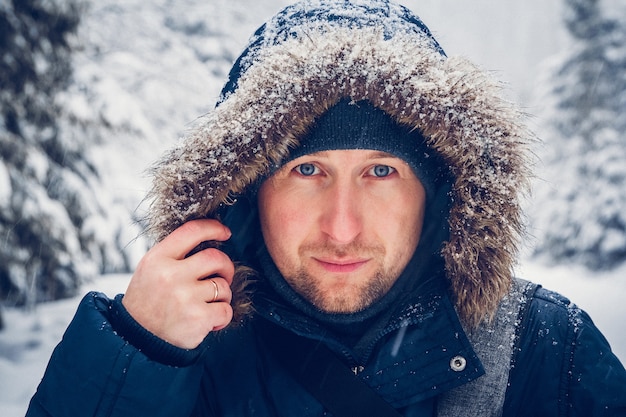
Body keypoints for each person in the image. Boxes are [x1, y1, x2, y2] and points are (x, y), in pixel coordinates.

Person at [27, 1, 626, 416]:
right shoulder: (181, 356)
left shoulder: (544, 350)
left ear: (440, 192)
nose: (343, 227)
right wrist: (140, 353)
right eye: (306, 170)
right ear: (246, 189)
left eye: (381, 171)